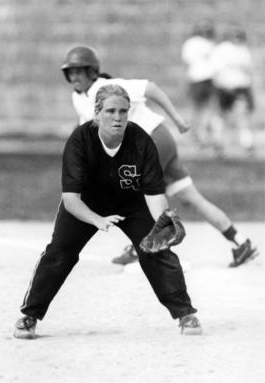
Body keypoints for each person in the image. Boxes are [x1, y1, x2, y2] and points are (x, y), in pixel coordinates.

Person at [13, 84, 202, 339]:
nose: (118, 117)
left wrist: (162, 222)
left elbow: (154, 193)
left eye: (124, 111)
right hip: (86, 204)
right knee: (60, 252)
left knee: (156, 249)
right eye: (111, 111)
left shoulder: (141, 141)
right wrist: (97, 220)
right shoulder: (80, 141)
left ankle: (185, 315)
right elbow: (70, 199)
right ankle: (30, 315)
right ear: (97, 113)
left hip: (131, 203)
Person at [61, 45, 258, 268]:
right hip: (159, 140)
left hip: (153, 140)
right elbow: (88, 130)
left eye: (80, 71)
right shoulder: (79, 97)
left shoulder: (107, 87)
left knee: (130, 190)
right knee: (190, 197)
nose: (75, 76)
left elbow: (150, 88)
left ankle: (150, 249)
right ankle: (240, 242)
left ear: (92, 71)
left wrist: (177, 118)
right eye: (71, 72)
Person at [210, 26, 255, 152]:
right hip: (232, 87)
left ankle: (241, 142)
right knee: (230, 116)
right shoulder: (237, 50)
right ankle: (223, 141)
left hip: (231, 87)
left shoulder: (231, 50)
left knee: (233, 116)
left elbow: (215, 71)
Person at [181, 20, 220, 148]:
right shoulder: (210, 44)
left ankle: (197, 136)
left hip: (196, 79)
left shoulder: (191, 43)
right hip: (208, 79)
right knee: (206, 109)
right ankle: (202, 136)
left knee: (196, 109)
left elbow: (186, 61)